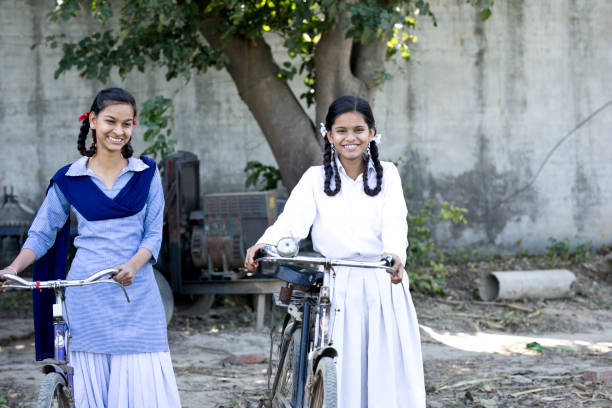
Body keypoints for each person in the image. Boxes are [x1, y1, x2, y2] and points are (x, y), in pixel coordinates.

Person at [0, 88, 181, 407]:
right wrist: (13, 269)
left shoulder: (146, 175)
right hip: (88, 295)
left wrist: (134, 266)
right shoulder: (70, 179)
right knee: (91, 390)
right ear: (93, 121)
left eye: (127, 124)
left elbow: (153, 236)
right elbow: (41, 234)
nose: (119, 131)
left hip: (137, 296)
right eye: (111, 121)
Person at [245, 95, 426, 407]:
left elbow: (396, 221)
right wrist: (266, 244)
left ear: (372, 133)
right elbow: (291, 222)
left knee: (385, 366)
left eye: (358, 129)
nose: (350, 138)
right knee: (342, 363)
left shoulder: (388, 175)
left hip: (381, 279)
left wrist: (395, 254)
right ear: (328, 135)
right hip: (338, 283)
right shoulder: (315, 179)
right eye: (341, 131)